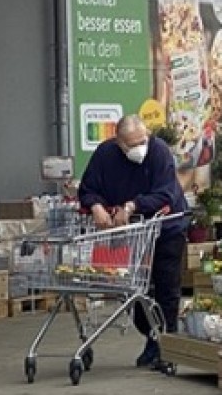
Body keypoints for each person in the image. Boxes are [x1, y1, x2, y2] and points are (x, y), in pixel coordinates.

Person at [78, 114, 188, 369]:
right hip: (132, 233)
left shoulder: (158, 152)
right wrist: (95, 206)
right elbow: (88, 188)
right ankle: (151, 337)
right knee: (135, 289)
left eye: (143, 140)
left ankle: (166, 345)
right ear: (119, 142)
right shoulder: (105, 155)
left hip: (166, 226)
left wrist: (132, 205)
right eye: (132, 144)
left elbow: (165, 194)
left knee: (166, 286)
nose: (140, 148)